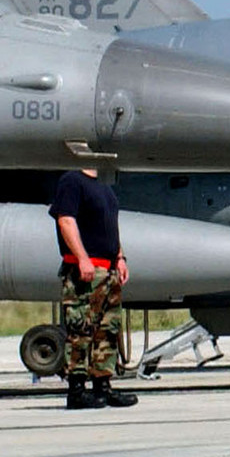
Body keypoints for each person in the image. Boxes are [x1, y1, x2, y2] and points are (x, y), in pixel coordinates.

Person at [49, 165, 138, 408]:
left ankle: (103, 386)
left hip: (108, 271)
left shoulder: (104, 188)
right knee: (81, 328)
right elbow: (66, 220)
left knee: (107, 330)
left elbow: (110, 228)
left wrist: (120, 258)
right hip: (86, 272)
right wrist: (81, 258)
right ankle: (76, 389)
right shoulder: (72, 181)